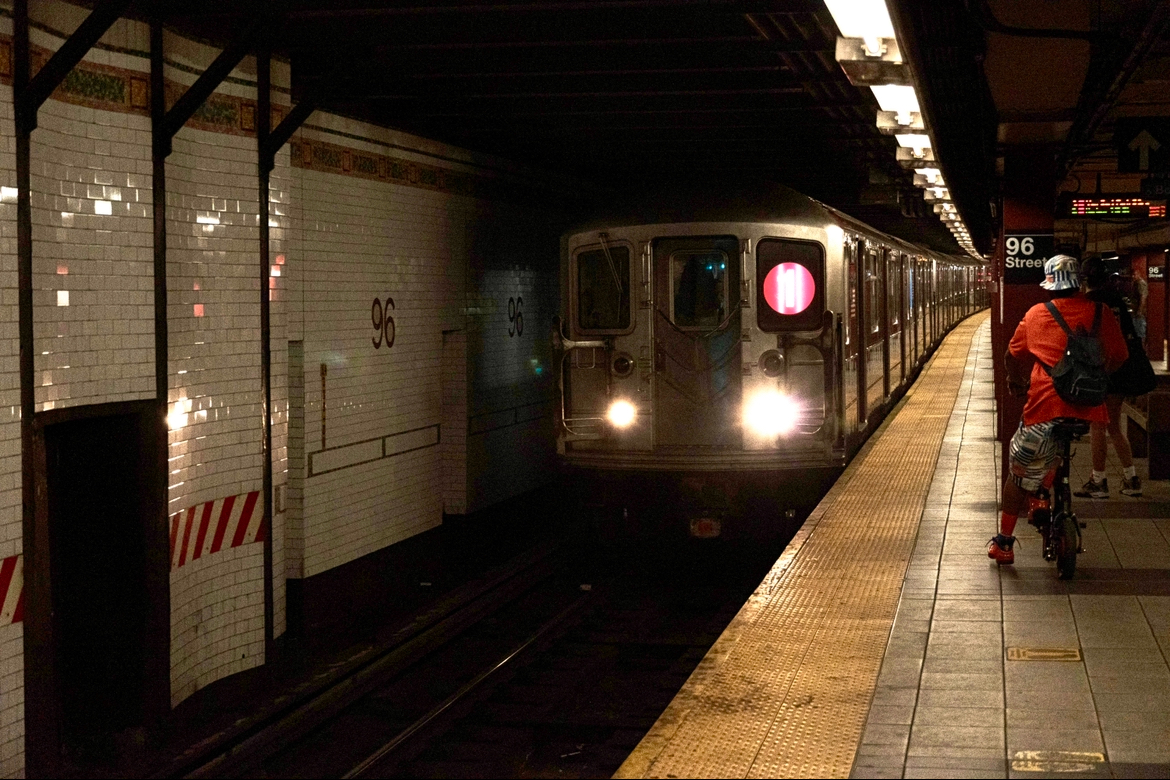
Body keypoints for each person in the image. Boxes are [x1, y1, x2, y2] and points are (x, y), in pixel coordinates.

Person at [990, 255, 1128, 565]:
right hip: (1090, 409)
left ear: (1050, 284)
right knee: (1056, 449)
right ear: (1078, 282)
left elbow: (1011, 356)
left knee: (1018, 473)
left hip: (1044, 409)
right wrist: (1098, 378)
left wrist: (1016, 381)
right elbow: (1119, 356)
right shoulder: (1101, 313)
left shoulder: (1037, 314)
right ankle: (1042, 495)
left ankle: (1004, 543)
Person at [1073, 257, 1143, 498]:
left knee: (1097, 426)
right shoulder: (1117, 302)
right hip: (1122, 370)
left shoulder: (1087, 304)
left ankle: (1099, 480)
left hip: (1099, 371)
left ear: (1083, 281)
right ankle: (1131, 478)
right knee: (1113, 425)